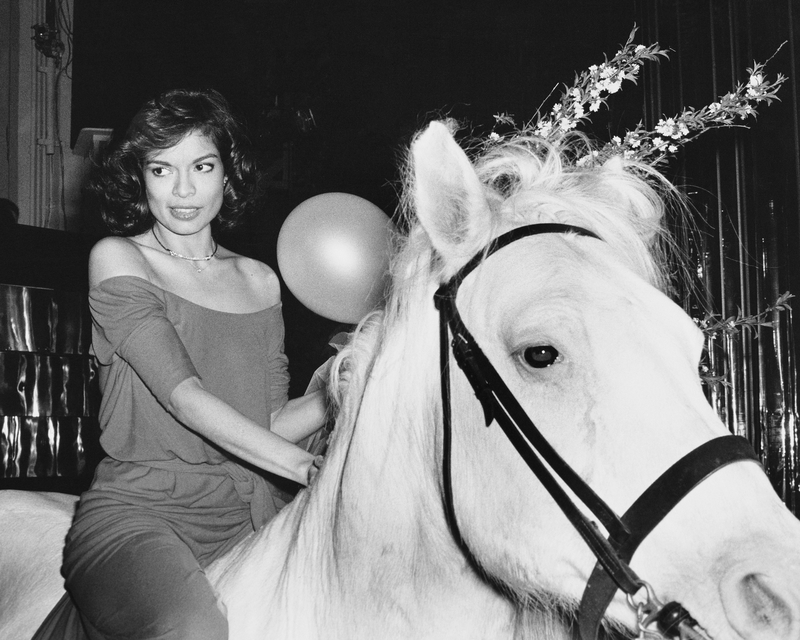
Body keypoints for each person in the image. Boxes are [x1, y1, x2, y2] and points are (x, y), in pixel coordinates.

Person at [33, 88, 328, 640]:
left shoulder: (260, 280)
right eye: (162, 169)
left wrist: (340, 391)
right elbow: (183, 396)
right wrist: (307, 469)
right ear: (140, 179)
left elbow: (264, 427)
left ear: (227, 173)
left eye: (203, 165)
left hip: (244, 513)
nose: (185, 190)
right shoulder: (119, 258)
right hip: (140, 513)